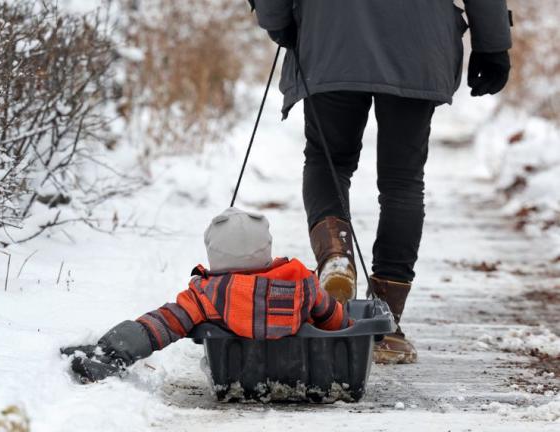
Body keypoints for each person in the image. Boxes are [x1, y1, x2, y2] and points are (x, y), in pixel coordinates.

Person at [252, 0, 513, 364]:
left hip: (331, 34)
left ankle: (336, 257)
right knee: (402, 181)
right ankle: (386, 325)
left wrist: (277, 17)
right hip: (419, 41)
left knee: (330, 161)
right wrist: (493, 43)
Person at [61, 208, 350, 382]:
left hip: (237, 374)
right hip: (297, 371)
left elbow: (163, 324)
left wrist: (116, 347)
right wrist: (344, 325)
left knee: (162, 320)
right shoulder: (301, 283)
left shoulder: (208, 293)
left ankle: (107, 356)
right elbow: (333, 318)